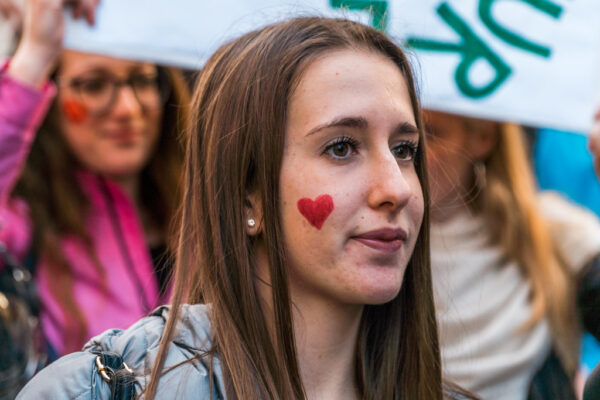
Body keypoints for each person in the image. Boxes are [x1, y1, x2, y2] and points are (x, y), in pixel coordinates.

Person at [16, 16, 478, 400]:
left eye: (404, 149)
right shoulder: (101, 389)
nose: (395, 188)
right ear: (245, 197)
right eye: (341, 147)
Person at [0, 0, 190, 359]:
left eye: (142, 80)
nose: (127, 109)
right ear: (49, 92)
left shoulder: (209, 209)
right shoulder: (25, 221)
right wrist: (34, 56)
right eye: (94, 85)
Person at [425, 110, 600, 400]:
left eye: (431, 134)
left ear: (483, 137)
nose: (408, 156)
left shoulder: (556, 236)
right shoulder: (362, 249)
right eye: (400, 140)